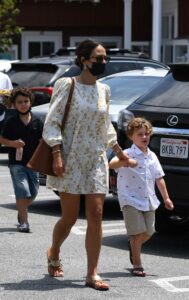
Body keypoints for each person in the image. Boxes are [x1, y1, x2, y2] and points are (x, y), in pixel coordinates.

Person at [42, 39, 137, 290]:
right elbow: (52, 122)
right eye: (98, 58)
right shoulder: (67, 85)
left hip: (96, 159)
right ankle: (54, 252)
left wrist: (119, 152)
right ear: (84, 60)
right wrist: (57, 154)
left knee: (96, 214)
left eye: (105, 58)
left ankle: (92, 273)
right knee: (70, 218)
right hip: (70, 158)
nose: (103, 63)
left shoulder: (104, 90)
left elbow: (105, 126)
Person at [109, 117, 174, 277]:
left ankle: (133, 245)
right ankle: (137, 264)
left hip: (148, 199)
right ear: (131, 136)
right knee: (137, 233)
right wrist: (126, 162)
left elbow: (159, 177)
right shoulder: (127, 153)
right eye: (140, 134)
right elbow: (112, 164)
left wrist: (166, 198)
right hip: (130, 199)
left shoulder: (152, 156)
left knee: (149, 232)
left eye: (146, 134)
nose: (144, 137)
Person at [0, 88, 43, 233]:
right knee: (22, 191)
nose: (23, 104)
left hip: (33, 163)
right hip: (17, 164)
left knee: (34, 192)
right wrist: (13, 144)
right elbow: (2, 140)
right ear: (14, 104)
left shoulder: (37, 121)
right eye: (19, 102)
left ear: (30, 102)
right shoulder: (11, 122)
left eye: (26, 101)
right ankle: (24, 222)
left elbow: (42, 141)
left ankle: (21, 210)